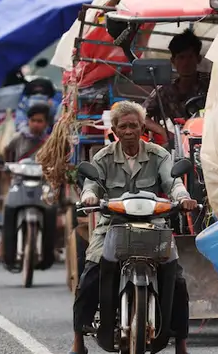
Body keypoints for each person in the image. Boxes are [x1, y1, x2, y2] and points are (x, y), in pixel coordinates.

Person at [70, 101, 197, 354]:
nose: (129, 131)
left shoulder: (159, 155)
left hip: (153, 225)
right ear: (114, 130)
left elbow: (173, 182)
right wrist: (89, 197)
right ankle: (78, 340)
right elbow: (91, 186)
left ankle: (181, 344)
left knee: (178, 281)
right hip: (111, 226)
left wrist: (183, 197)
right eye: (123, 126)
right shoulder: (102, 157)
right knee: (90, 275)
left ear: (143, 128)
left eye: (134, 125)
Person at [0, 103, 54, 261]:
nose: (36, 124)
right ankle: (4, 245)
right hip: (20, 180)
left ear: (46, 124)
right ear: (28, 121)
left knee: (52, 209)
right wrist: (9, 166)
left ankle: (50, 248)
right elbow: (7, 151)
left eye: (40, 121)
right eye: (33, 120)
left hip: (42, 183)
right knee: (9, 208)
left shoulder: (50, 141)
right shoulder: (19, 138)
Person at [141, 29, 211, 143]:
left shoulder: (210, 83)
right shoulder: (165, 90)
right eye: (181, 57)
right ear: (173, 61)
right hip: (179, 143)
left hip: (209, 139)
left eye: (190, 57)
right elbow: (141, 115)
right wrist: (162, 131)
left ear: (198, 59)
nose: (185, 63)